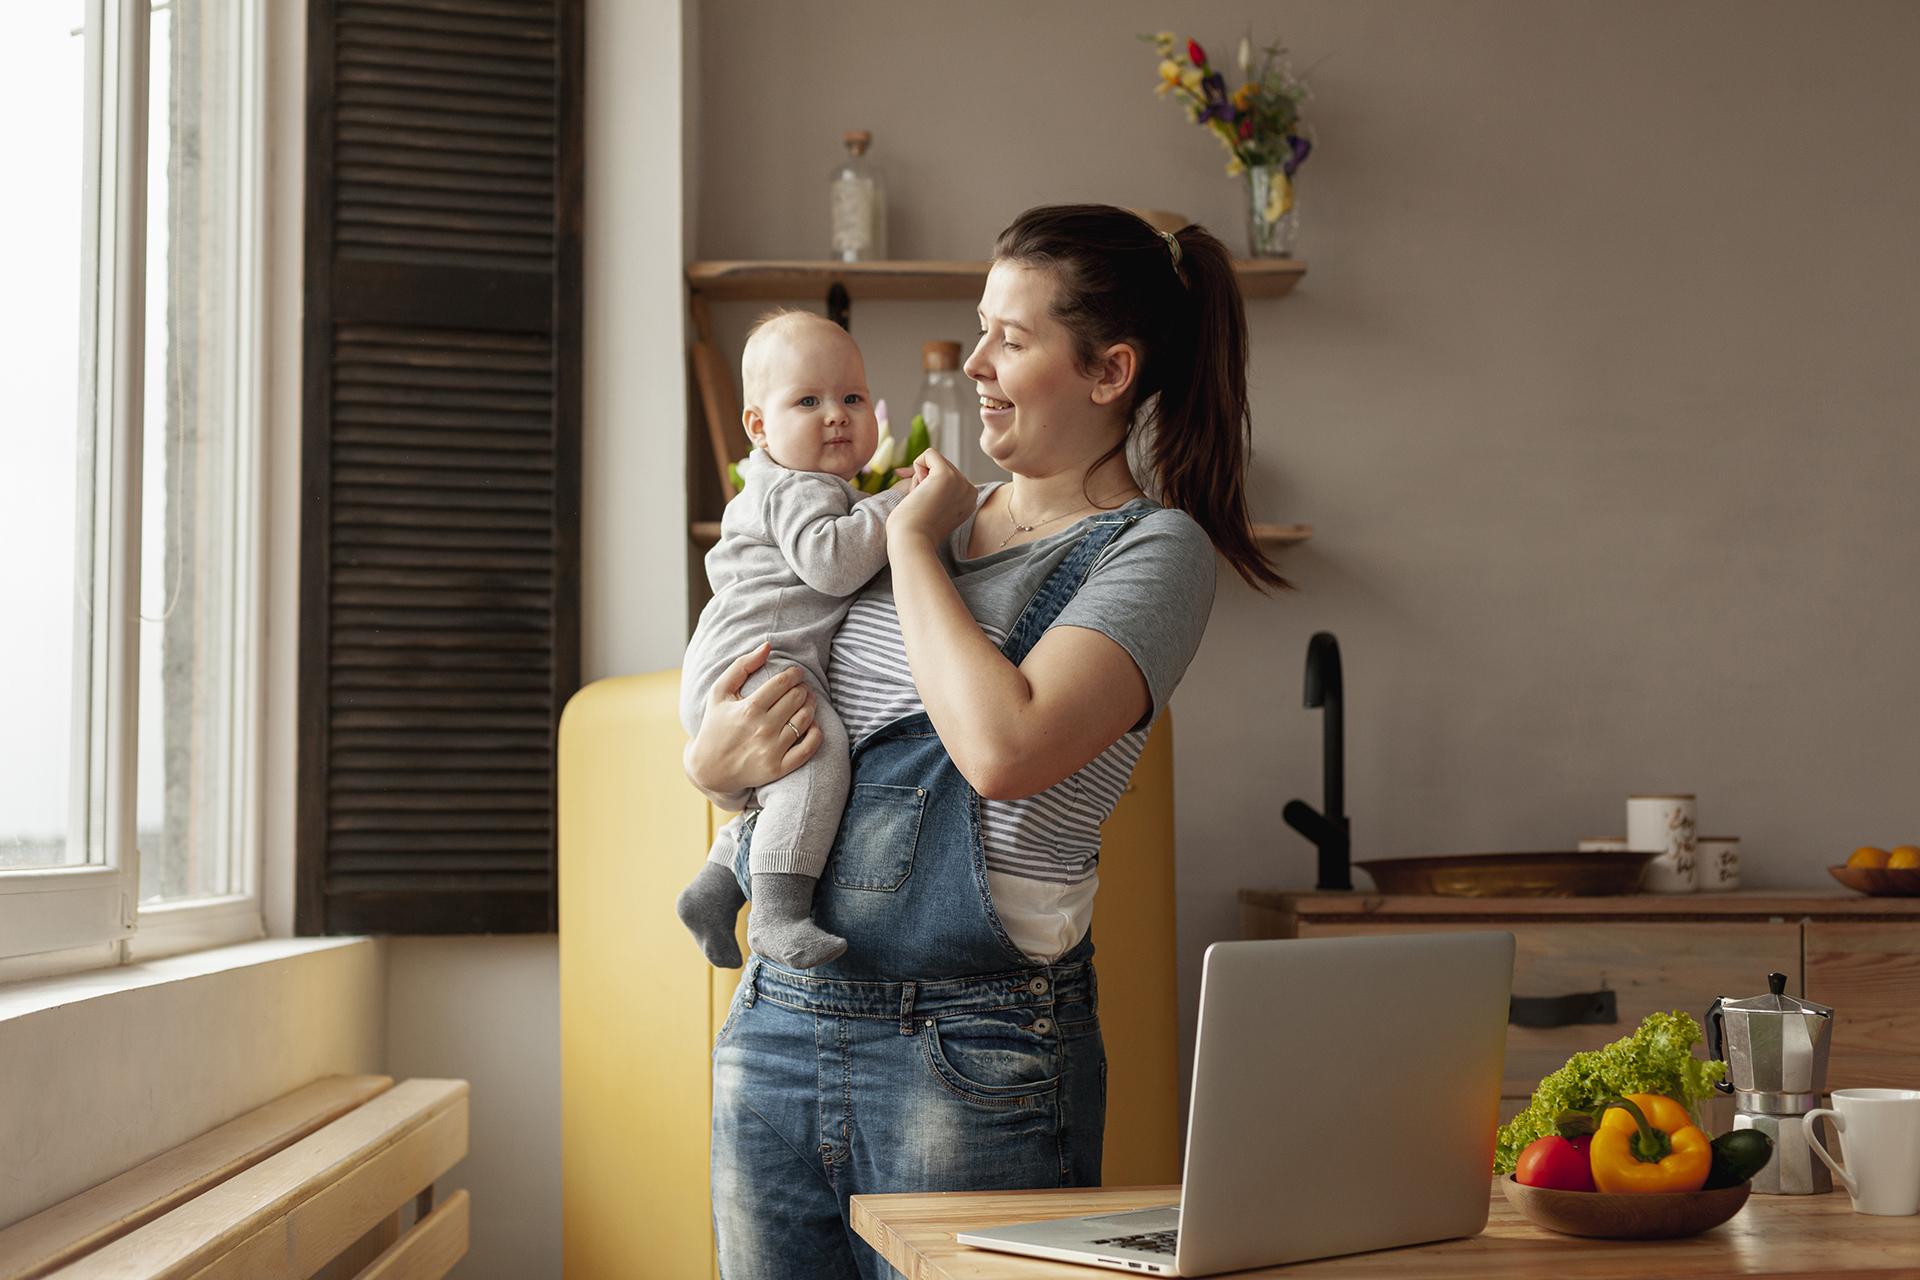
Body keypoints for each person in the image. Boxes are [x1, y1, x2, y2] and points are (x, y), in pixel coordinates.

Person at [682, 205, 1288, 1280]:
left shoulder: (1152, 553)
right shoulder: (913, 512)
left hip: (970, 1050)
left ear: (1108, 372)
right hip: (776, 1020)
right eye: (980, 328)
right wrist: (712, 760)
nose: (973, 364)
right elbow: (798, 696)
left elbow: (1004, 747)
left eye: (1010, 338)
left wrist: (914, 541)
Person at [675, 309, 906, 971]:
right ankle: (778, 916)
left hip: (731, 667)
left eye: (852, 398)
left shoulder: (795, 486)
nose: (836, 414)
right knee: (819, 752)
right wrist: (895, 505)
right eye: (808, 401)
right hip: (754, 668)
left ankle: (716, 887)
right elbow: (832, 563)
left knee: (780, 785)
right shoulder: (797, 489)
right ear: (759, 427)